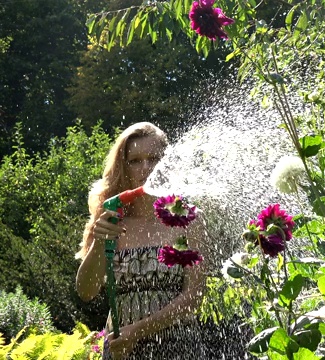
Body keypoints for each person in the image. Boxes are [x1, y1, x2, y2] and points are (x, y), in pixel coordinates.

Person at [75, 122, 243, 359]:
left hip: (179, 349)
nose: (146, 168)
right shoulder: (112, 219)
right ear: (123, 168)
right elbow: (86, 291)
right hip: (122, 350)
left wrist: (137, 331)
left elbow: (194, 296)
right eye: (135, 161)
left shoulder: (189, 219)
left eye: (154, 158)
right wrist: (100, 242)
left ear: (168, 163)